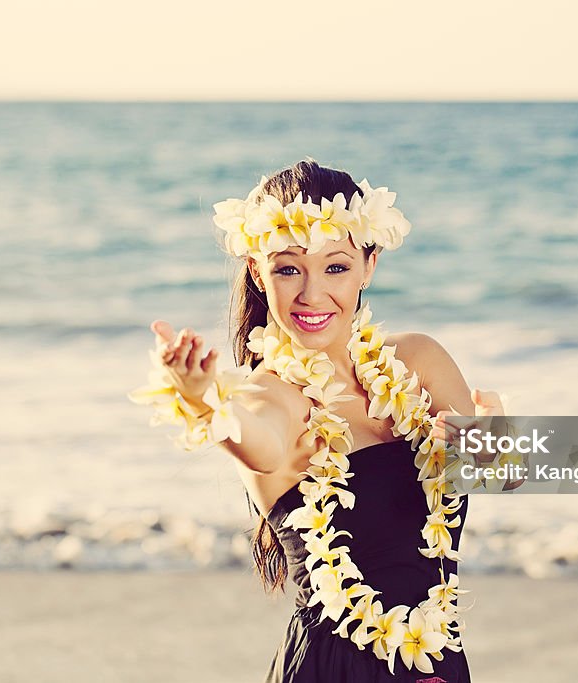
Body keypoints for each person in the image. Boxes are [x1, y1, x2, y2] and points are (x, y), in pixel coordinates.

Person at [131, 160, 508, 682]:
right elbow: (258, 444)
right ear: (259, 271)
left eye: (336, 267)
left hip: (437, 658)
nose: (311, 295)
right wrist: (204, 403)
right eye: (288, 268)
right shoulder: (270, 395)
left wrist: (498, 443)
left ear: (368, 266)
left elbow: (505, 472)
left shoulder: (419, 362)